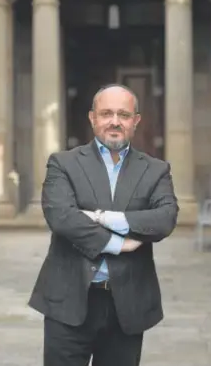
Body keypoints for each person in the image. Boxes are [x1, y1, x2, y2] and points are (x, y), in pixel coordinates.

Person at [29, 84, 179, 366]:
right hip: (68, 300)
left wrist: (102, 217)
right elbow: (61, 216)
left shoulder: (156, 170)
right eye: (106, 113)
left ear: (135, 121)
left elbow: (165, 218)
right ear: (92, 118)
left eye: (123, 114)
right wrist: (119, 243)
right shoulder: (63, 163)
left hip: (128, 305)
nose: (114, 121)